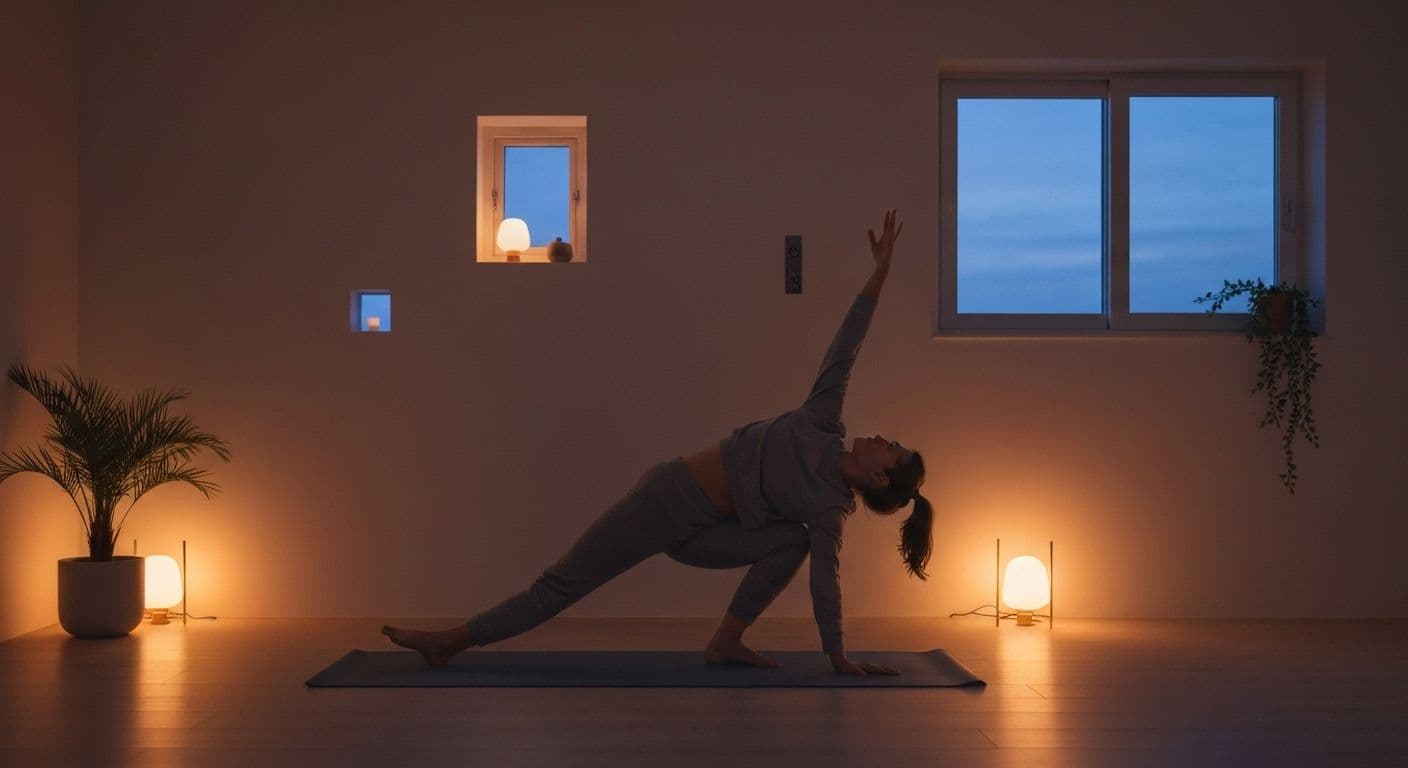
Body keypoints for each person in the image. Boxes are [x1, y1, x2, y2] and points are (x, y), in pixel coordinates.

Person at [383, 210, 931, 677]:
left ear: (879, 477)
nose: (884, 438)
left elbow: (825, 584)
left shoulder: (828, 510)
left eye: (893, 449)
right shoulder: (821, 420)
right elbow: (847, 343)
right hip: (666, 500)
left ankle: (724, 641)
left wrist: (836, 655)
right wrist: (879, 274)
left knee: (795, 542)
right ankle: (451, 640)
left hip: (704, 535)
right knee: (563, 583)